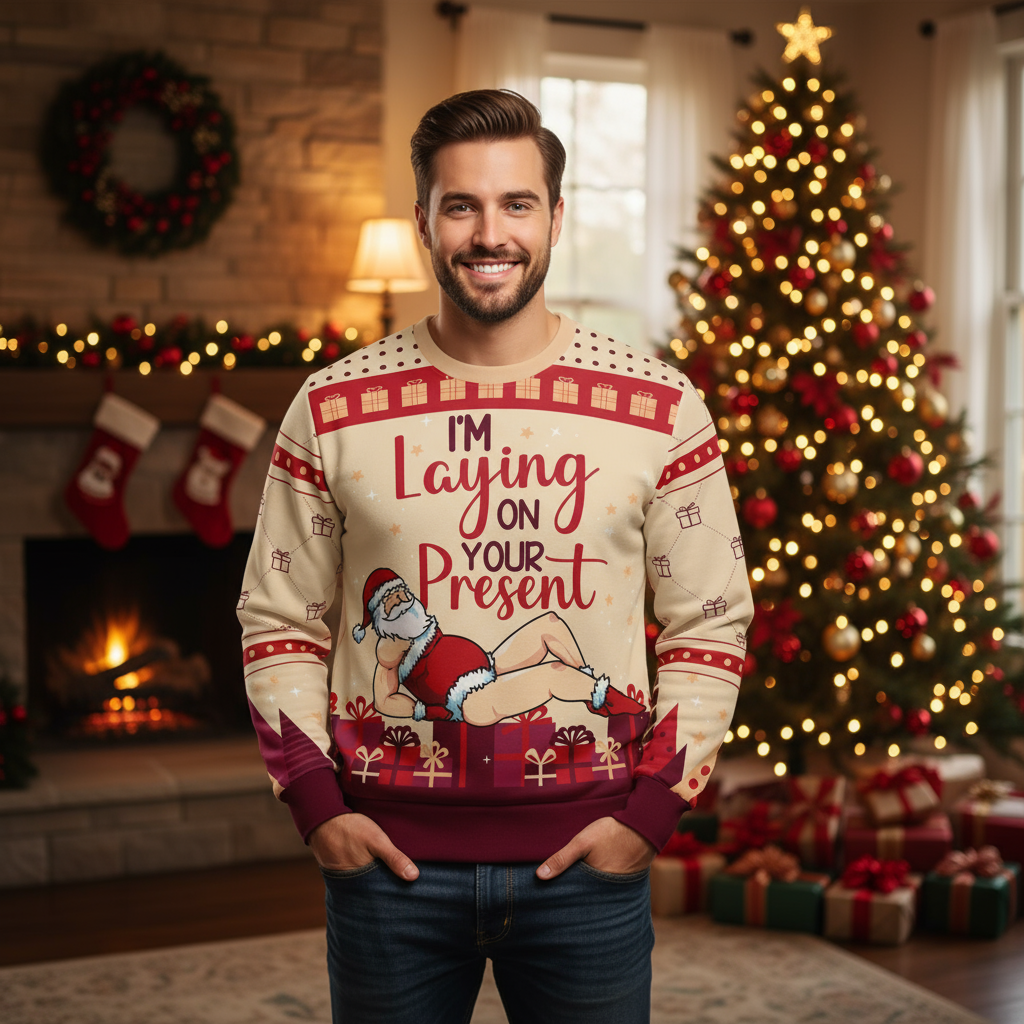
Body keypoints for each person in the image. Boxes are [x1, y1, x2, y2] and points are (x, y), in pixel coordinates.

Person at [238, 89, 753, 1024]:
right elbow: (280, 620)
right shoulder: (332, 407)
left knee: (549, 640)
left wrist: (649, 815)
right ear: (423, 221)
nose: (489, 233)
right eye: (461, 206)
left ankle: (592, 698)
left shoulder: (659, 406)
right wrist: (318, 807)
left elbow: (709, 623)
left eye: (517, 203)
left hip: (590, 867)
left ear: (555, 217)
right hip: (388, 870)